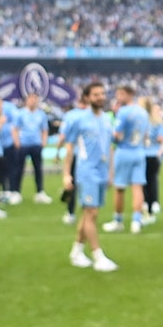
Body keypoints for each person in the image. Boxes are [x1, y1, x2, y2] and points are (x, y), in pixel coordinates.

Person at [63, 81, 117, 272]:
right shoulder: (79, 119)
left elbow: (109, 147)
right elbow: (70, 148)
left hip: (102, 172)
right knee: (91, 213)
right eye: (96, 94)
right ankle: (98, 255)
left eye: (102, 93)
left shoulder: (107, 119)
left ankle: (76, 252)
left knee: (89, 214)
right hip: (87, 172)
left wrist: (111, 172)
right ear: (87, 97)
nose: (101, 97)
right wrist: (66, 174)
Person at [103, 84, 150, 234]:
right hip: (139, 152)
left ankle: (118, 221)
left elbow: (116, 134)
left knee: (120, 188)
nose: (118, 97)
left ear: (128, 94)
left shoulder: (123, 112)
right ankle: (136, 221)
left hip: (124, 151)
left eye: (120, 94)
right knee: (137, 187)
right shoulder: (142, 112)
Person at [55, 91, 89, 225]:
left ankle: (70, 212)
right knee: (86, 184)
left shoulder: (70, 116)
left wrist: (58, 151)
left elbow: (63, 136)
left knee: (71, 184)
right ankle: (87, 210)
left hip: (74, 154)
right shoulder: (92, 115)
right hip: (88, 157)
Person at [11, 92, 50, 203]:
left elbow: (44, 130)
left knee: (38, 169)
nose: (33, 101)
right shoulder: (20, 113)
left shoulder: (41, 114)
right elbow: (15, 129)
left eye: (35, 99)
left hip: (36, 144)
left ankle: (40, 192)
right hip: (23, 144)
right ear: (27, 100)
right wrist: (17, 142)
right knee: (18, 169)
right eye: (31, 99)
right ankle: (16, 192)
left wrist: (43, 142)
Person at [142, 97, 163, 220]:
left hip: (144, 154)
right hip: (153, 155)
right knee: (152, 180)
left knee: (144, 181)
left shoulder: (142, 121)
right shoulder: (158, 122)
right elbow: (162, 139)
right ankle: (152, 204)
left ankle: (147, 204)